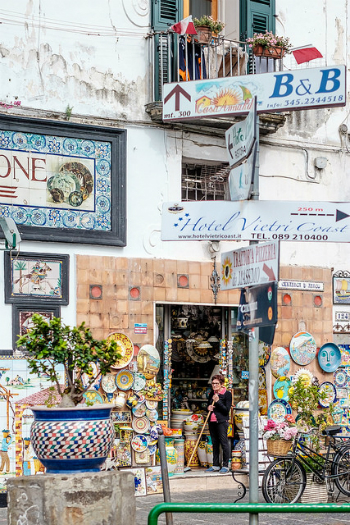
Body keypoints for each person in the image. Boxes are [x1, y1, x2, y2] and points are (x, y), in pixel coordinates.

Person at [206, 374, 232, 474]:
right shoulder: (211, 393)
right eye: (213, 383)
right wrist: (208, 407)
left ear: (221, 384)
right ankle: (215, 464)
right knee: (215, 443)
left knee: (224, 443)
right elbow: (208, 405)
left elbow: (226, 410)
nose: (214, 385)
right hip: (212, 421)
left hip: (222, 422)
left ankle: (225, 465)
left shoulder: (227, 394)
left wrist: (217, 402)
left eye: (216, 383)